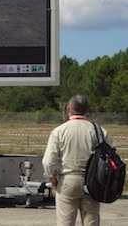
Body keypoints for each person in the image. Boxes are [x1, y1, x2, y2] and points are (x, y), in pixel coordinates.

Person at [42, 94, 111, 226]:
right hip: (92, 182)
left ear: (68, 109)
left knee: (65, 223)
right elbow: (110, 157)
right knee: (91, 222)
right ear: (87, 110)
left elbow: (48, 161)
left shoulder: (59, 131)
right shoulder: (99, 131)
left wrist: (52, 178)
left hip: (67, 180)